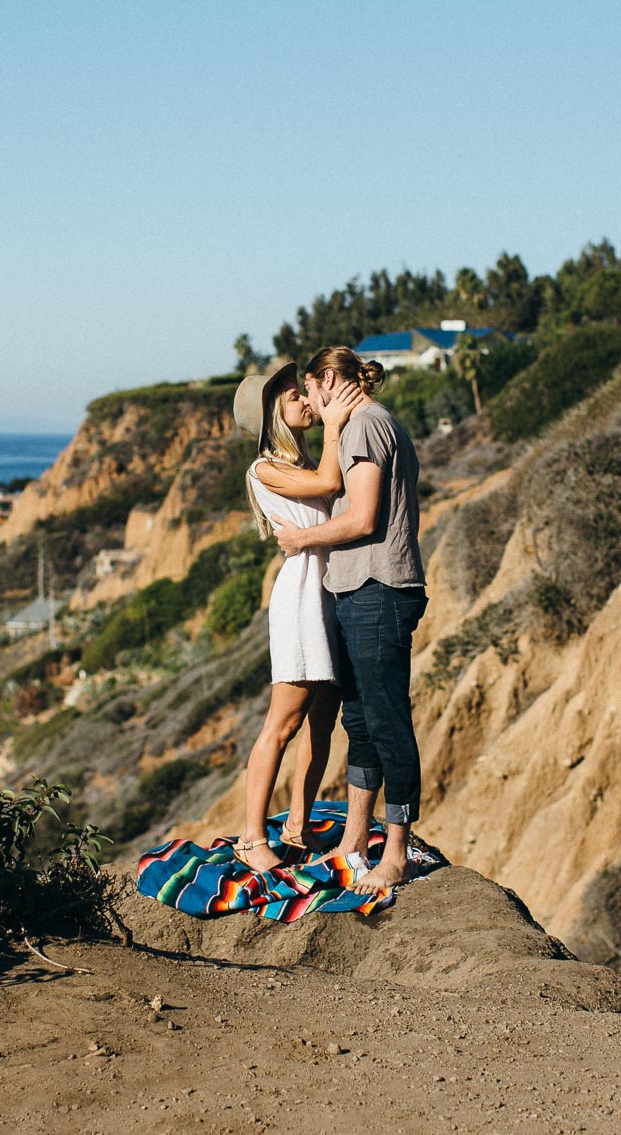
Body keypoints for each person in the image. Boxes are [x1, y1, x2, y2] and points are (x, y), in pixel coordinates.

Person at [270, 345, 425, 892]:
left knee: (386, 723)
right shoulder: (368, 423)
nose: (310, 402)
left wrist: (300, 539)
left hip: (377, 588)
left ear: (327, 380)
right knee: (359, 722)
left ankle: (397, 853)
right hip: (359, 589)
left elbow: (361, 518)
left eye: (309, 389)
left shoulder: (363, 428)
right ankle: (354, 839)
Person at [228, 360, 366, 874]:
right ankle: (249, 838)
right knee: (283, 723)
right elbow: (332, 485)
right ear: (272, 418)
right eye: (292, 398)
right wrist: (334, 423)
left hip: (328, 591)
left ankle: (296, 828)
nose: (305, 401)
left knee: (322, 725)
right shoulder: (263, 468)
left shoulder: (301, 462)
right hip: (302, 595)